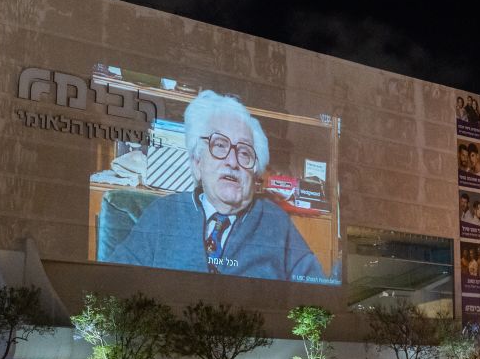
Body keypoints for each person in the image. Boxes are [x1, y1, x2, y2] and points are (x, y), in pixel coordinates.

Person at [108, 90, 329, 283]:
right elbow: (115, 284)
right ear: (197, 164)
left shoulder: (276, 223)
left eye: (244, 152)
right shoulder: (161, 214)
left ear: (255, 173)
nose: (232, 162)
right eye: (219, 146)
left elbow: (315, 296)